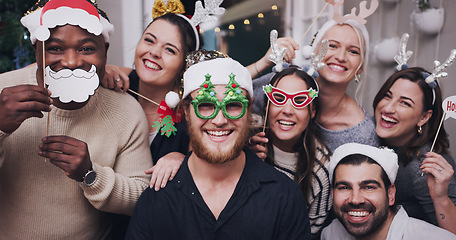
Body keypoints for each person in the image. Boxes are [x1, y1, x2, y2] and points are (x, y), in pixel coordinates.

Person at [0, 0, 152, 238]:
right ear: (36, 52)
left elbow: (142, 198)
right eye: (56, 48)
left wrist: (90, 175)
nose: (71, 62)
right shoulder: (3, 91)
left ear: (105, 52)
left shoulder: (126, 111)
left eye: (86, 49)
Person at [125, 50, 311, 239]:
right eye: (205, 105)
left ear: (248, 110)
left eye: (233, 105)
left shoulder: (284, 197)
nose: (220, 119)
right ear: (186, 112)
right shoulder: (156, 200)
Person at [252, 1, 380, 153]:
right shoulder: (283, 84)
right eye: (331, 46)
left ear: (360, 68)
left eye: (353, 51)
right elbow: (222, 86)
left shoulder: (363, 134)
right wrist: (262, 62)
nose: (340, 57)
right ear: (312, 51)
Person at [248, 65, 331, 238]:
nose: (287, 110)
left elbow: (310, 233)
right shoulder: (243, 135)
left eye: (299, 101)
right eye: (278, 98)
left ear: (313, 111)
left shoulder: (321, 169)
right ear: (266, 106)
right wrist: (241, 160)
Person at [373, 66, 456, 234]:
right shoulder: (369, 135)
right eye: (387, 96)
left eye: (405, 103)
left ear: (423, 117)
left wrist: (440, 198)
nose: (388, 108)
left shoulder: (424, 165)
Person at [321, 143, 456, 239]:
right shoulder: (331, 233)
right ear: (332, 194)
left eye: (369, 187)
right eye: (344, 187)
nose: (355, 199)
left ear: (391, 194)